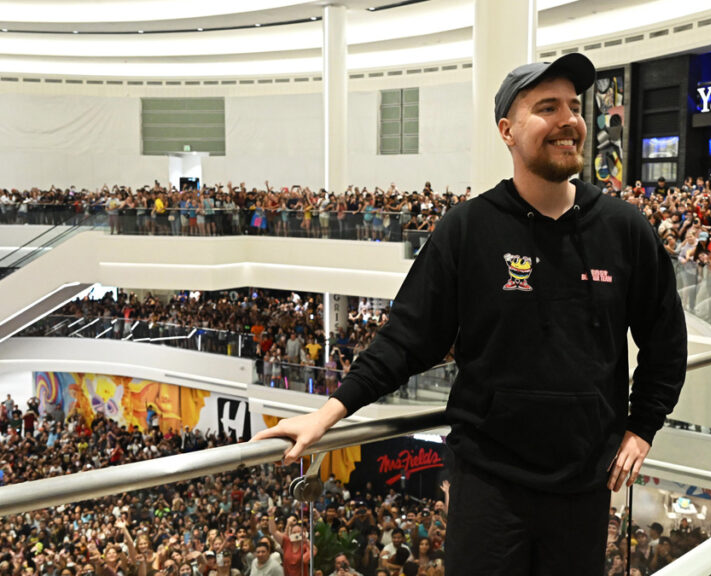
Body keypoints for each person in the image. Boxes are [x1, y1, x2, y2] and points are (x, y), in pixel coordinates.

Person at [253, 52, 687, 575]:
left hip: (584, 486)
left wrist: (643, 427)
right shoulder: (467, 229)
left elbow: (666, 340)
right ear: (507, 130)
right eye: (547, 107)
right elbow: (408, 338)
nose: (569, 120)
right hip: (488, 486)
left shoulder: (623, 228)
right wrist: (328, 413)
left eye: (574, 106)